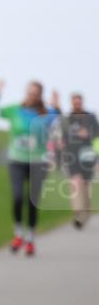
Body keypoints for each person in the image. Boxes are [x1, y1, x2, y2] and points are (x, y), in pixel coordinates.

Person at [0, 79, 61, 256]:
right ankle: (18, 233)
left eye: (36, 94)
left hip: (38, 162)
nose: (32, 96)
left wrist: (57, 106)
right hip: (17, 160)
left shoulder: (46, 113)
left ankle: (30, 238)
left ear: (40, 96)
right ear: (26, 93)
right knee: (18, 197)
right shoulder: (15, 110)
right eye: (30, 92)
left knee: (32, 201)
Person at [58, 93, 98, 229]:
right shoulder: (67, 119)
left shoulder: (91, 118)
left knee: (86, 186)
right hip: (72, 156)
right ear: (71, 103)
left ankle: (85, 214)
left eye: (79, 102)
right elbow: (62, 137)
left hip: (88, 156)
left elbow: (97, 138)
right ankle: (78, 213)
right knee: (75, 183)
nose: (77, 105)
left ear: (82, 102)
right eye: (74, 102)